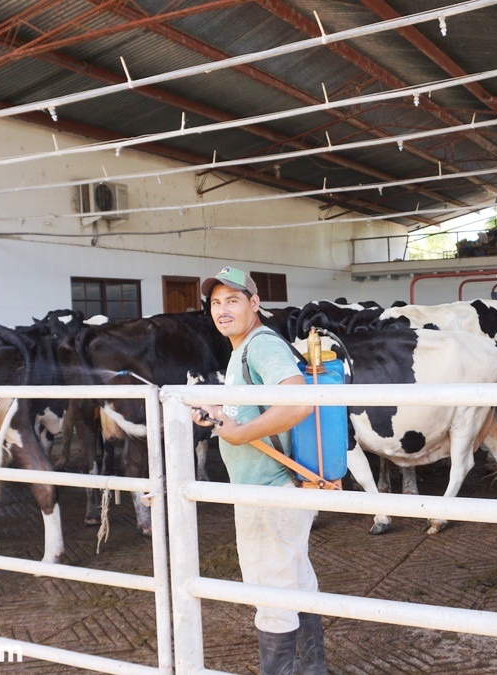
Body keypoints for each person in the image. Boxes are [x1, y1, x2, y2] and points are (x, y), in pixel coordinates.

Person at [192, 266, 327, 675]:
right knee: (295, 580)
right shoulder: (244, 349)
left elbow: (298, 403)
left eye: (233, 300)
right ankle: (312, 668)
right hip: (271, 490)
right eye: (216, 302)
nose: (222, 310)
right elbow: (255, 408)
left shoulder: (261, 345)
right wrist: (219, 414)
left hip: (270, 491)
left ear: (254, 303)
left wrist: (238, 434)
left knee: (271, 594)